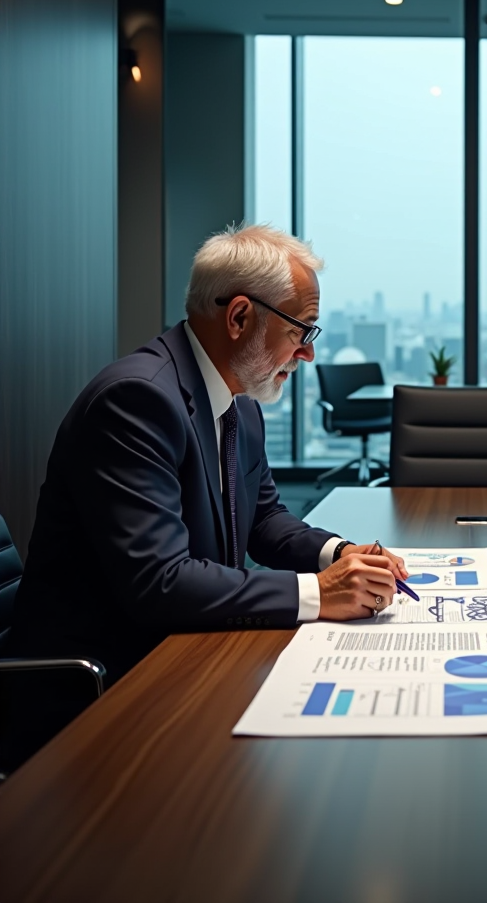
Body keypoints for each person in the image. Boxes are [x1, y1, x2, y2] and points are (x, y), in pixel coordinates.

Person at [5, 226, 406, 760]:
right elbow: (160, 582)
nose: (306, 354)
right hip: (99, 693)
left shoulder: (239, 402)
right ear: (240, 317)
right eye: (300, 330)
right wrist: (319, 593)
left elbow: (264, 519)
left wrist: (339, 554)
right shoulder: (138, 401)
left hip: (178, 655)